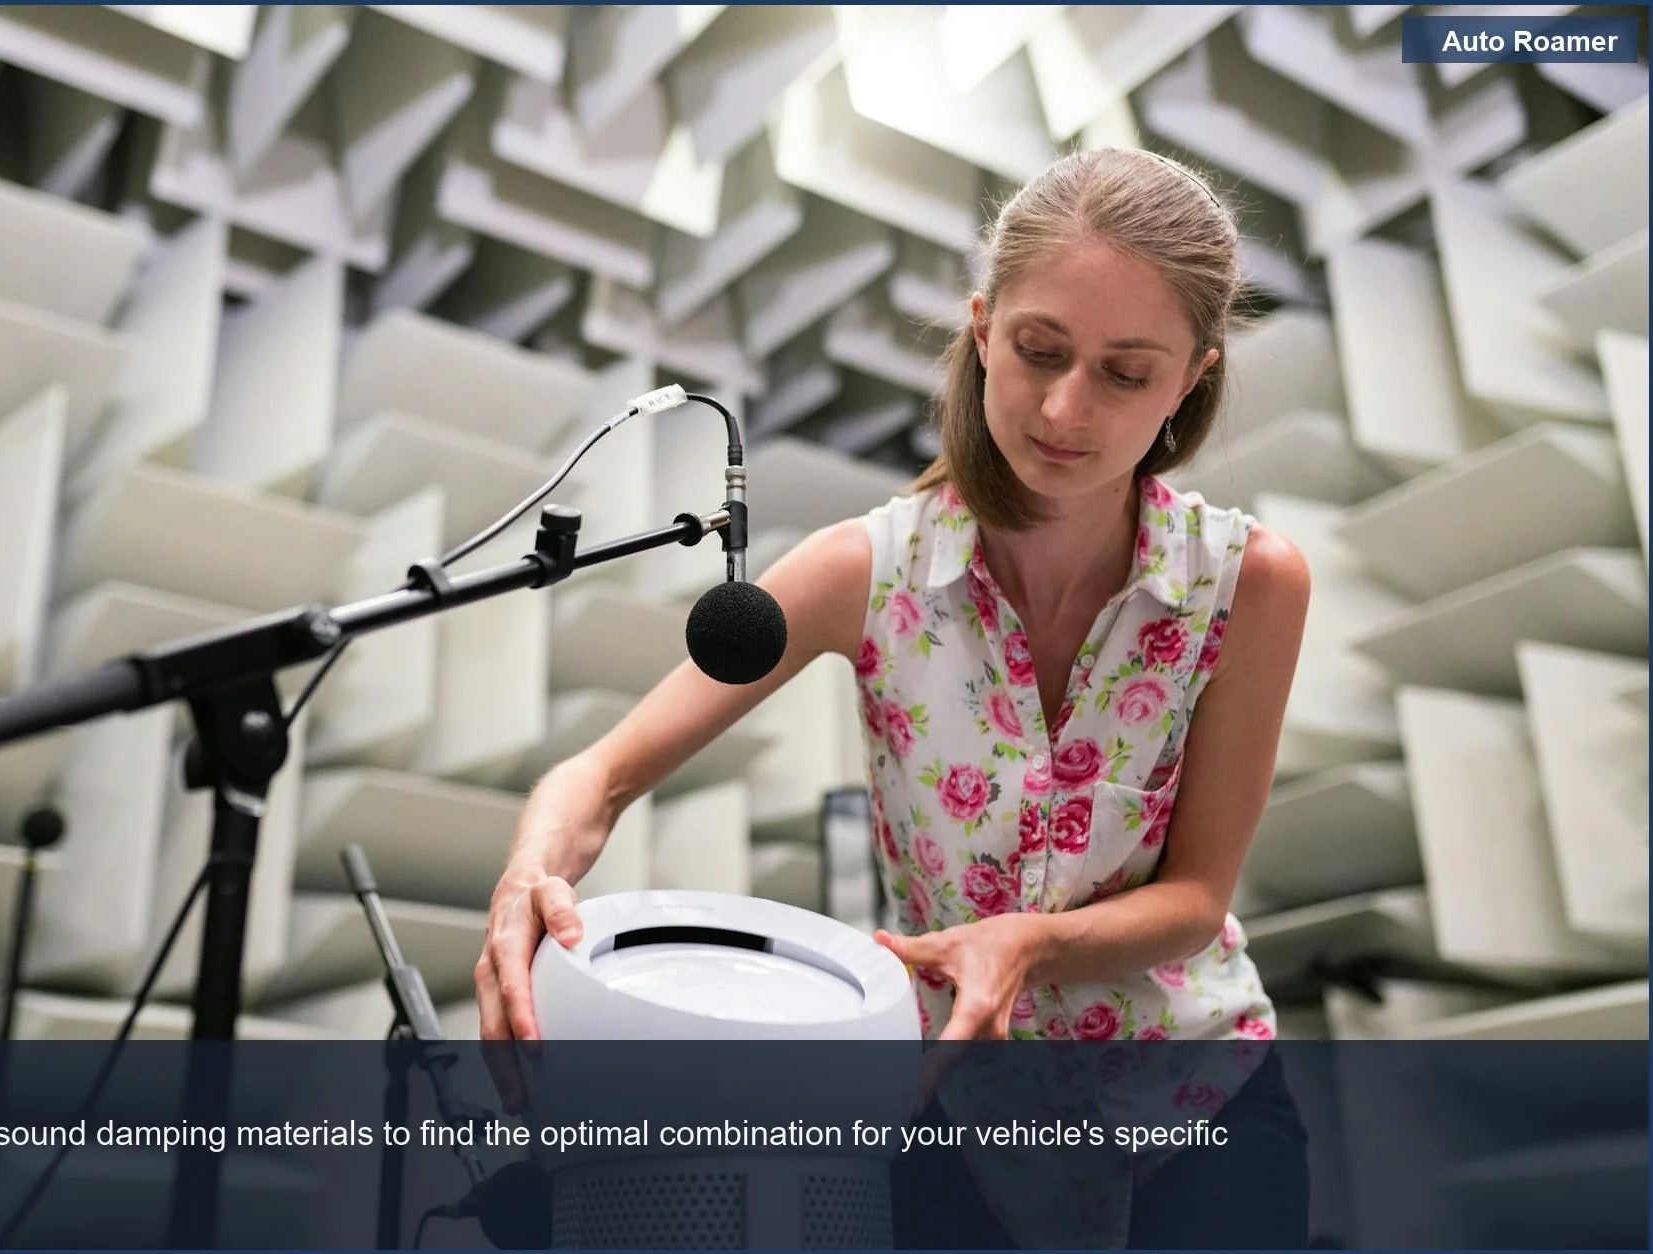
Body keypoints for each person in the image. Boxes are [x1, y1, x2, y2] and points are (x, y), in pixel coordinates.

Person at [476, 147, 1314, 1248]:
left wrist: (1020, 944)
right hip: (954, 1122)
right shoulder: (857, 571)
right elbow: (597, 775)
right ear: (980, 327)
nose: (1064, 407)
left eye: (1123, 373)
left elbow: (1198, 897)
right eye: (1037, 350)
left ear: (1191, 378)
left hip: (1194, 1102)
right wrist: (527, 878)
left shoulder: (1248, 584)